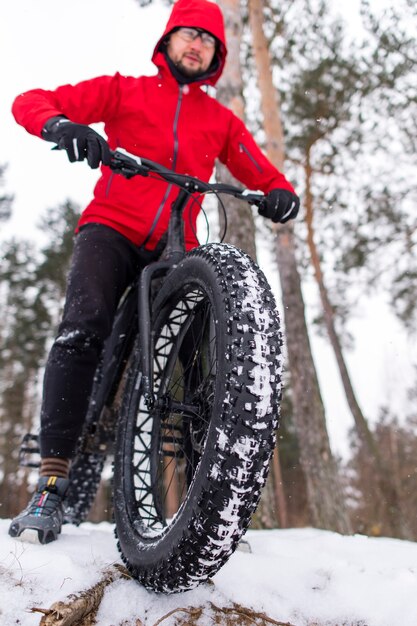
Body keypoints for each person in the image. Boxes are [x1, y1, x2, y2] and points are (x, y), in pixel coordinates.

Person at [9, 0, 299, 544]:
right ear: (167, 42)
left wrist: (280, 192)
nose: (196, 45)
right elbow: (31, 101)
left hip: (176, 244)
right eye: (187, 34)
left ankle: (205, 504)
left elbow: (261, 171)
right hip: (112, 227)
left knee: (197, 356)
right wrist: (64, 124)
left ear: (216, 56)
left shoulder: (221, 121)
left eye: (208, 41)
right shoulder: (124, 90)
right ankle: (52, 480)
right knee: (83, 327)